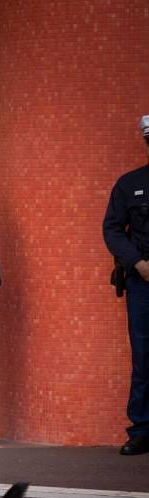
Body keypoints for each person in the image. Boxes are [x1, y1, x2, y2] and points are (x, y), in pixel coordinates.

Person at [101, 114, 149, 456]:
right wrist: (138, 263)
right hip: (143, 282)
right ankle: (142, 429)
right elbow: (113, 229)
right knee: (144, 357)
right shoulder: (129, 184)